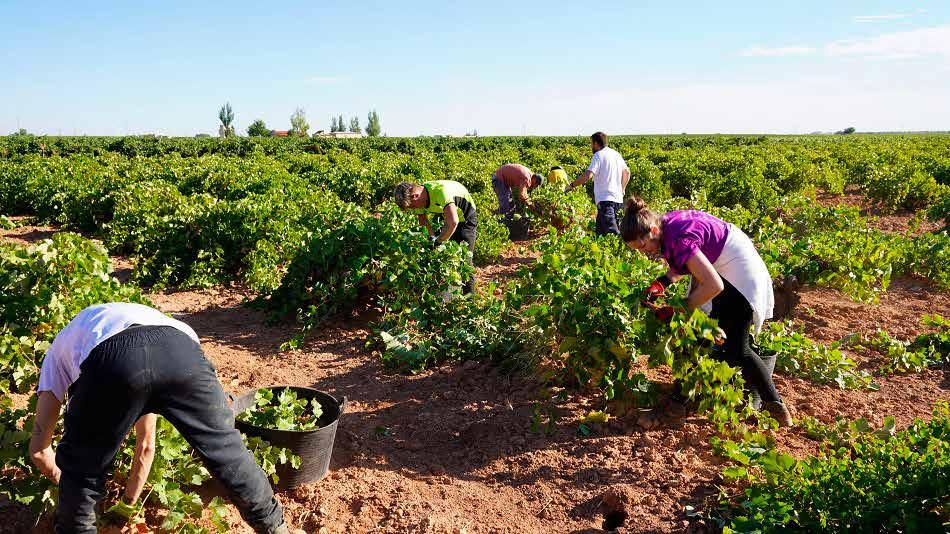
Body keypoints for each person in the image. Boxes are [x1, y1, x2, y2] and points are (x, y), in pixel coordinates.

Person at [30, 302, 302, 534]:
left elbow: (40, 450)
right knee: (228, 452)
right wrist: (127, 505)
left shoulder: (57, 353)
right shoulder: (139, 321)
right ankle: (277, 528)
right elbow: (146, 445)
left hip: (113, 359)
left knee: (83, 470)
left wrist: (73, 486)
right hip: (180, 350)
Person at [619, 197, 793, 426]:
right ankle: (679, 401)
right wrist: (661, 283)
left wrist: (679, 310)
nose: (644, 252)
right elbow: (687, 263)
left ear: (652, 230)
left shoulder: (677, 237)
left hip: (739, 275)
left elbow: (713, 285)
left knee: (736, 348)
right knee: (708, 336)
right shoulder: (665, 225)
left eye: (643, 246)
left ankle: (776, 408)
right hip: (724, 269)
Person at [393, 180, 477, 294]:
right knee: (440, 255)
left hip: (465, 216)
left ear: (415, 196)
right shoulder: (418, 199)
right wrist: (432, 240)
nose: (413, 209)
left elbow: (453, 222)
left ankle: (470, 298)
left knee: (465, 262)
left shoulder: (441, 192)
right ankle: (444, 295)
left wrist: (439, 241)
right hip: (446, 213)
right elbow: (424, 224)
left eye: (412, 206)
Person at [565, 132, 630, 236]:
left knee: (612, 234)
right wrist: (622, 189)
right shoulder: (616, 154)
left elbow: (588, 175)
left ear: (595, 143)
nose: (591, 146)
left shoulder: (598, 155)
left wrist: (571, 185)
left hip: (606, 202)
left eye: (591, 143)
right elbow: (627, 172)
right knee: (601, 234)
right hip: (618, 201)